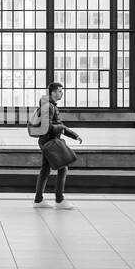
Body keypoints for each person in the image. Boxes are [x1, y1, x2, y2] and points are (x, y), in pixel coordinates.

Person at [31, 81, 82, 209]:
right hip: (50, 141)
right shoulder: (48, 106)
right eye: (59, 91)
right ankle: (59, 200)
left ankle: (38, 200)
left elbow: (59, 125)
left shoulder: (50, 105)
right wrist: (60, 129)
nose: (62, 93)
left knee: (45, 169)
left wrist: (74, 135)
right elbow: (47, 126)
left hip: (46, 141)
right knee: (63, 167)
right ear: (53, 93)